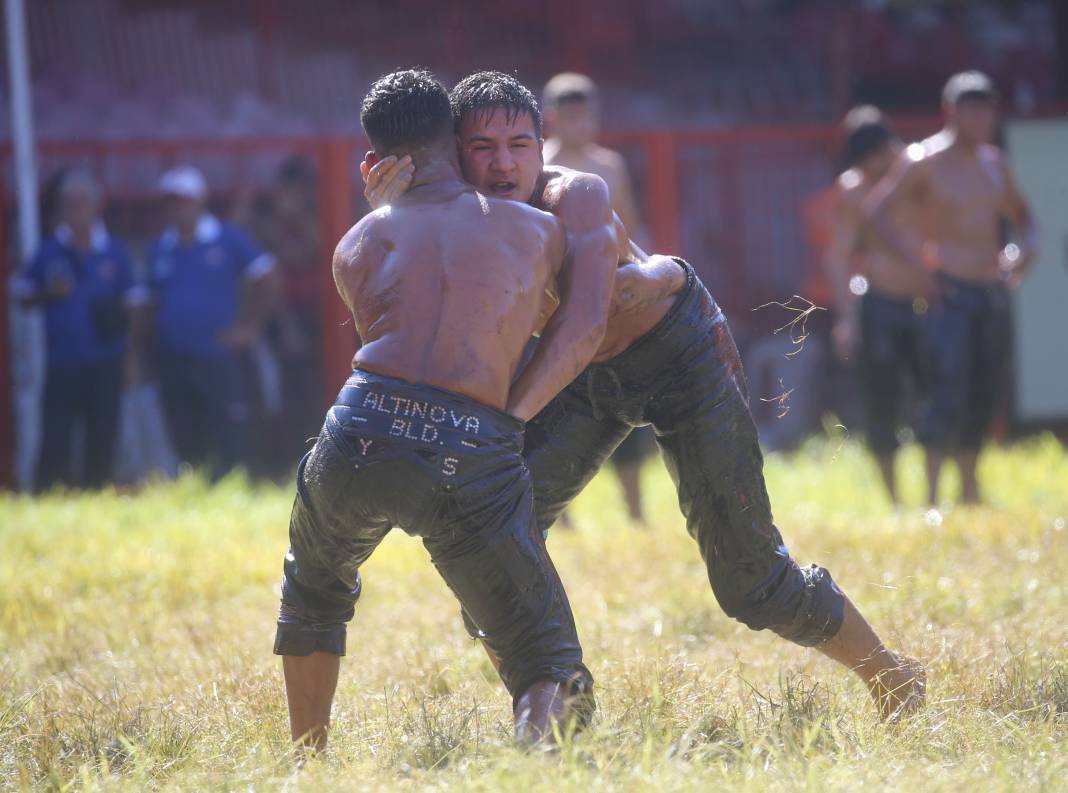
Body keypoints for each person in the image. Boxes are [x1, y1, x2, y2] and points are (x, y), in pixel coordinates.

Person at [364, 71, 925, 719]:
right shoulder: (454, 214)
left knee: (751, 580)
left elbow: (583, 324)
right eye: (482, 148)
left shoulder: (575, 194)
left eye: (519, 144)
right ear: (456, 156)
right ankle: (562, 704)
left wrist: (504, 420)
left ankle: (893, 676)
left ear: (542, 150)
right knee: (483, 549)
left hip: (675, 348)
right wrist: (390, 218)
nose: (502, 163)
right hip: (581, 373)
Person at [275, 69, 618, 754]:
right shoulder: (536, 232)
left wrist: (381, 207)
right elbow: (558, 318)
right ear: (459, 146)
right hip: (471, 440)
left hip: (359, 425)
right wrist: (505, 422)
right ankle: (534, 766)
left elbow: (393, 317)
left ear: (375, 166)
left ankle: (306, 760)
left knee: (313, 587)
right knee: (544, 656)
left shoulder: (355, 244)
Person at [865, 72, 1037, 506]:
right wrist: (919, 267)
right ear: (951, 111)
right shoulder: (924, 160)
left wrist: (1021, 253)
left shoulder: (995, 163)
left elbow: (1025, 220)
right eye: (972, 108)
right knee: (947, 386)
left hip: (989, 289)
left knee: (986, 386)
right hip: (948, 292)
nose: (981, 118)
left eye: (987, 108)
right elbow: (878, 213)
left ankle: (970, 488)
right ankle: (933, 494)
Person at [543, 71, 652, 526]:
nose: (578, 124)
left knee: (623, 397)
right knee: (553, 407)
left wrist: (647, 276)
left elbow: (631, 227)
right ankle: (558, 517)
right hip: (552, 305)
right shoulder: (538, 167)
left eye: (584, 115)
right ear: (551, 118)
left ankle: (635, 512)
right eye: (569, 116)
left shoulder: (610, 166)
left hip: (608, 301)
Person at [824, 106, 931, 504]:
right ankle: (895, 499)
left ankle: (939, 491)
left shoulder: (919, 172)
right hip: (880, 303)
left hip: (928, 298)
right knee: (882, 403)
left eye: (877, 157)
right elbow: (839, 257)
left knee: (937, 394)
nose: (873, 167)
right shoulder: (853, 188)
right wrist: (846, 319)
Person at [145, 165, 276, 478]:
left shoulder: (228, 239)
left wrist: (250, 328)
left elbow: (268, 275)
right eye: (171, 201)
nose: (178, 208)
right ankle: (195, 486)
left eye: (183, 200)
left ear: (199, 201)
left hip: (219, 356)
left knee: (229, 428)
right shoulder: (160, 248)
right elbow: (147, 304)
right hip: (173, 356)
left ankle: (238, 485)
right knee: (183, 429)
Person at [17, 170, 141, 490]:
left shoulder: (114, 251)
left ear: (96, 205)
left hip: (106, 359)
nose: (75, 210)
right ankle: (48, 493)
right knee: (56, 432)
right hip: (62, 361)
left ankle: (96, 492)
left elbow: (134, 308)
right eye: (68, 203)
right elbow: (22, 295)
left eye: (82, 202)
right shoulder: (48, 251)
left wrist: (130, 359)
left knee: (102, 432)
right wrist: (49, 293)